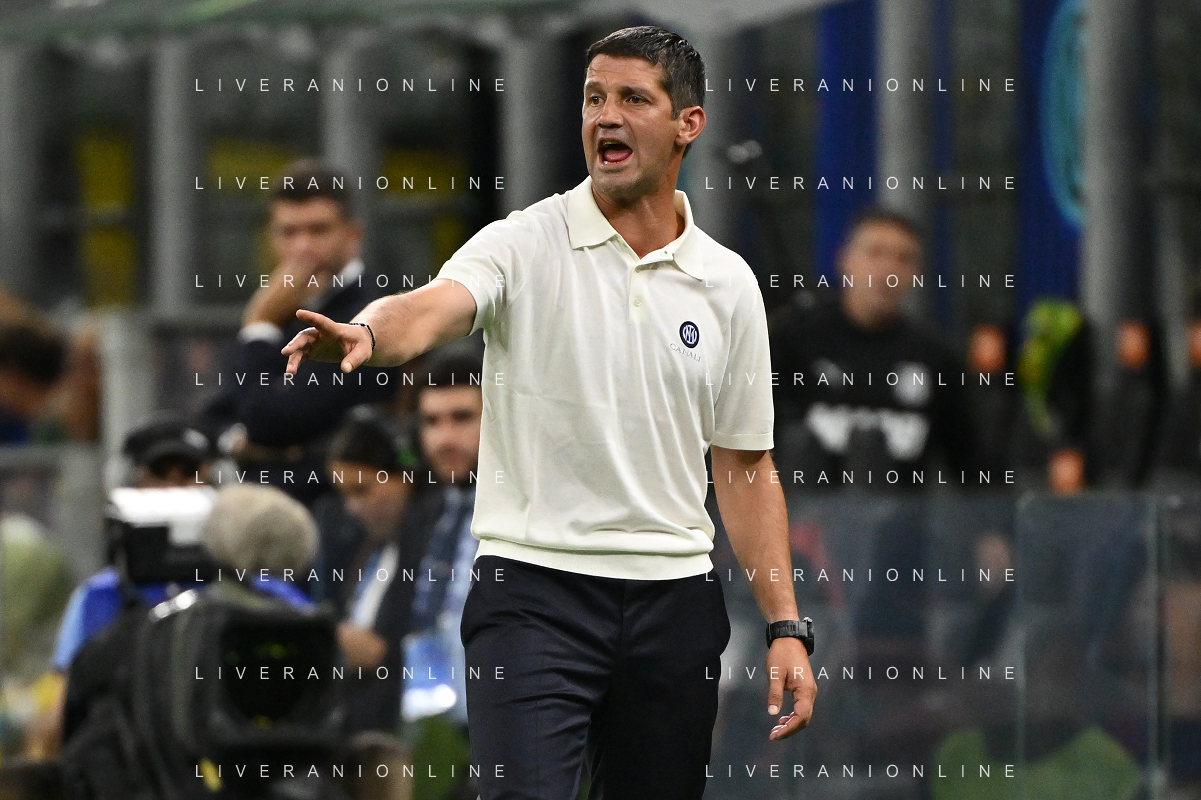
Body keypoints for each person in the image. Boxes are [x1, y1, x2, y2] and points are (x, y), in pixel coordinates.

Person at [281, 26, 815, 800]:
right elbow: (434, 306)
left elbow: (743, 465)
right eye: (594, 98)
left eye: (632, 98)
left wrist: (784, 626)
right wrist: (369, 332)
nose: (606, 116)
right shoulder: (523, 243)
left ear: (687, 125)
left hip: (675, 602)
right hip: (533, 597)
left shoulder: (726, 283)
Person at [202, 159, 398, 504]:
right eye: (289, 232)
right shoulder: (285, 310)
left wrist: (259, 323)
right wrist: (237, 442)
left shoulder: (373, 313)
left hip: (336, 513)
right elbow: (214, 416)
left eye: (318, 230)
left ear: (353, 236)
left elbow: (273, 421)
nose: (302, 248)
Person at [770, 206, 977, 489]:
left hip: (901, 516)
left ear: (915, 273)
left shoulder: (936, 358)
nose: (888, 270)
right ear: (845, 261)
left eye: (903, 259)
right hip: (800, 513)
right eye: (875, 253)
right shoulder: (792, 342)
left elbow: (972, 468)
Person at [322, 407, 427, 733]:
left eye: (362, 490)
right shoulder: (369, 548)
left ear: (405, 476)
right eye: (344, 495)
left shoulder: (427, 546)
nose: (352, 508)